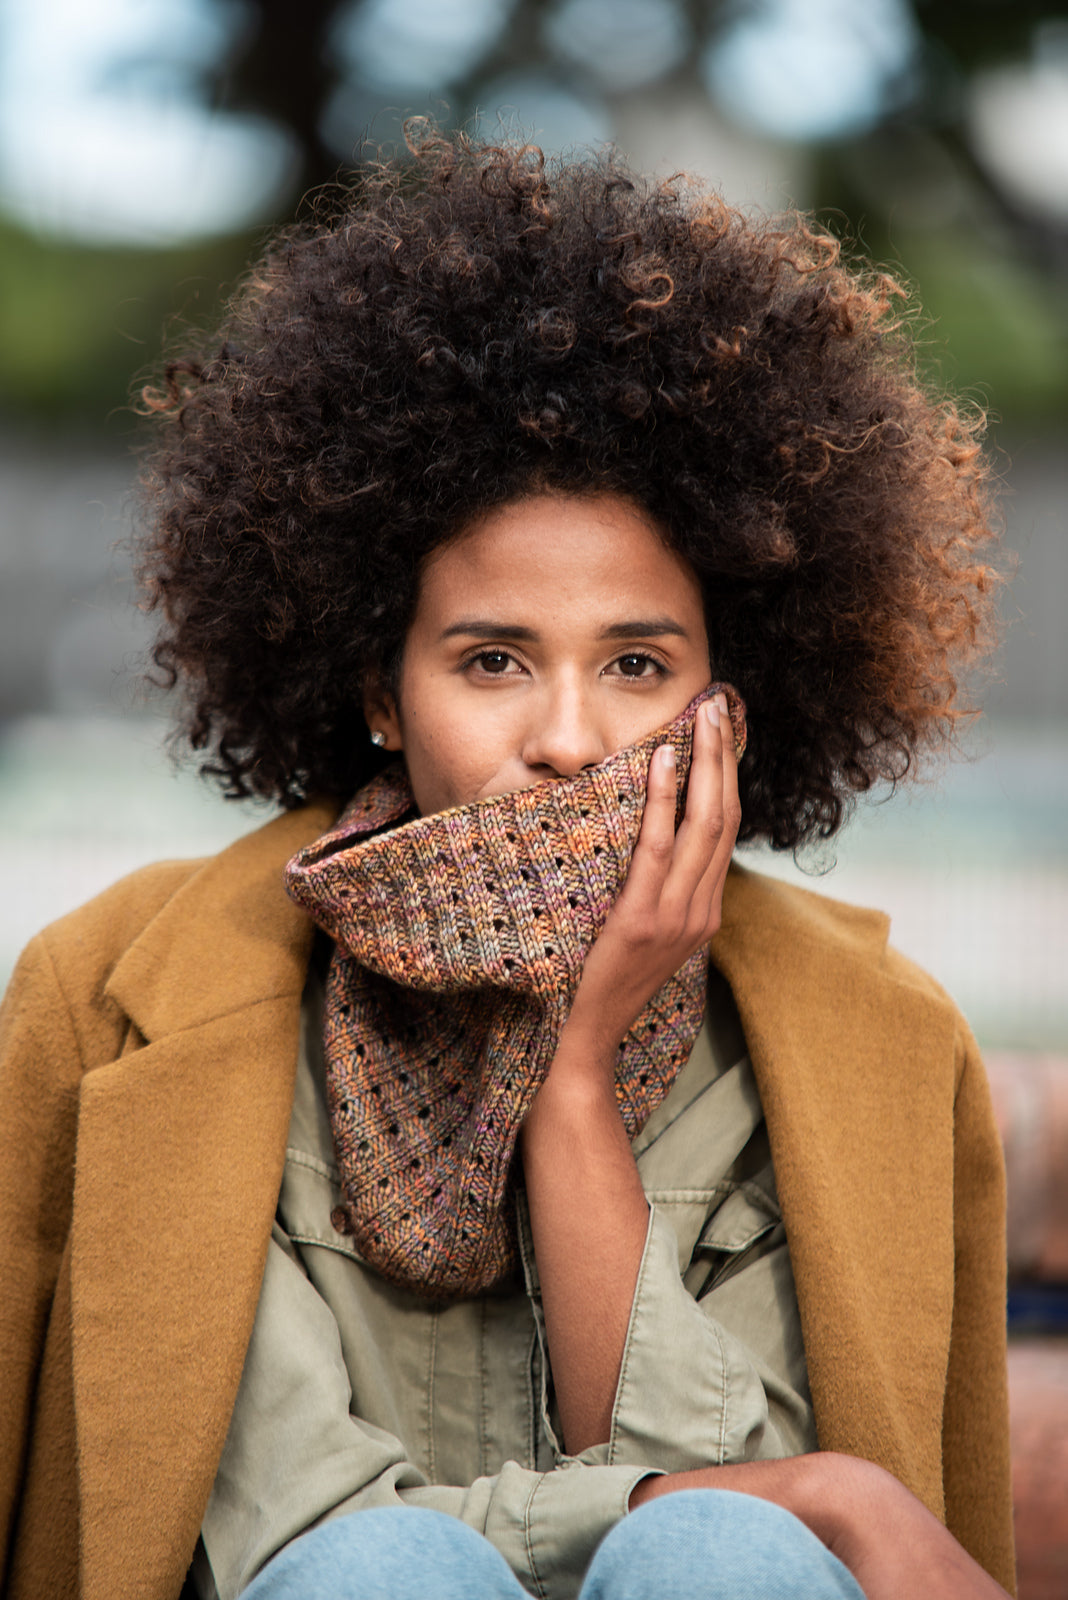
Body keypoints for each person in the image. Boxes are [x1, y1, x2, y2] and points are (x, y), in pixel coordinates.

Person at [0, 129, 1015, 1600]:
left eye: (638, 663)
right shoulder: (121, 996)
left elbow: (756, 1533)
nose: (568, 737)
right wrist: (817, 1497)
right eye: (491, 661)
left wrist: (575, 1082)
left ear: (730, 689)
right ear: (378, 688)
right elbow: (284, 1530)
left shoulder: (877, 1044)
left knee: (724, 1546)